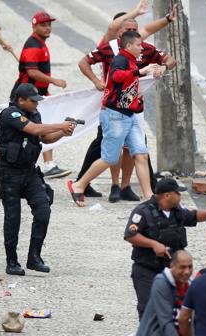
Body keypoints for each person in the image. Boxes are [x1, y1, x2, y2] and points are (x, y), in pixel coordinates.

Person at [77, 4, 177, 200]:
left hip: (134, 108)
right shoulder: (111, 47)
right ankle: (87, 183)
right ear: (120, 34)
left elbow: (149, 33)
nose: (134, 33)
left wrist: (167, 21)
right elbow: (108, 68)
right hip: (113, 106)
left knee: (139, 151)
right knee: (107, 152)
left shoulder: (141, 46)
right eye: (128, 29)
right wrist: (98, 82)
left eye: (135, 29)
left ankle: (137, 191)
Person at [67, 31, 159, 206]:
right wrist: (140, 72)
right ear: (128, 46)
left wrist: (153, 71)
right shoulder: (120, 60)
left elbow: (128, 84)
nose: (142, 48)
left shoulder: (131, 61)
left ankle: (149, 197)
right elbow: (116, 76)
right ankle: (78, 185)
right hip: (115, 116)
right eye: (139, 45)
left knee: (141, 154)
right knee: (109, 158)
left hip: (131, 115)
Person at [0, 83, 75, 276]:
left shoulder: (34, 114)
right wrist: (60, 125)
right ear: (21, 100)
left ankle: (34, 257)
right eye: (33, 101)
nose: (36, 105)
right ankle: (11, 261)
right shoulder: (10, 114)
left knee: (43, 210)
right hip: (9, 173)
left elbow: (45, 139)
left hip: (29, 172)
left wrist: (63, 132)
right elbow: (34, 130)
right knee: (13, 218)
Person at [123, 178, 206, 318]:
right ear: (167, 195)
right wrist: (153, 244)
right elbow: (130, 234)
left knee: (174, 309)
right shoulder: (143, 211)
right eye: (177, 193)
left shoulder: (176, 211)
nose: (180, 196)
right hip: (147, 269)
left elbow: (193, 215)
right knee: (148, 309)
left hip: (172, 271)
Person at [10, 11, 70, 179]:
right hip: (26, 96)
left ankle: (48, 164)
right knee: (32, 127)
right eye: (43, 25)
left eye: (49, 25)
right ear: (34, 26)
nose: (47, 28)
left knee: (42, 125)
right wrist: (54, 80)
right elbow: (32, 72)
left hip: (36, 94)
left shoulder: (39, 43)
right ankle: (47, 165)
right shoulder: (33, 46)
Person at [133, 250, 193, 336]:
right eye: (182, 267)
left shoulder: (190, 285)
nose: (187, 272)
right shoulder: (161, 283)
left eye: (190, 267)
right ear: (172, 265)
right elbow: (165, 320)